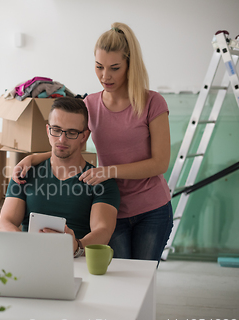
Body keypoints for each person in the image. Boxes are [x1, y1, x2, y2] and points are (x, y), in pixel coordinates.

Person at [12, 22, 173, 262]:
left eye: (114, 68)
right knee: (116, 280)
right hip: (111, 206)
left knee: (141, 279)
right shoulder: (90, 104)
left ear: (130, 66)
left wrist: (109, 171)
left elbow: (160, 163)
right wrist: (33, 158)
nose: (105, 76)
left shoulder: (152, 102)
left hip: (152, 209)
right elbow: (69, 141)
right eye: (99, 67)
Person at [0, 97, 120, 257]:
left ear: (84, 136)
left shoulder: (101, 182)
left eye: (71, 133)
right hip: (28, 259)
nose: (62, 139)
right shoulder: (25, 173)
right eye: (56, 130)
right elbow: (4, 224)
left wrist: (76, 246)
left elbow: (102, 231)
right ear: (48, 130)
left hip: (76, 265)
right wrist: (26, 244)